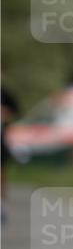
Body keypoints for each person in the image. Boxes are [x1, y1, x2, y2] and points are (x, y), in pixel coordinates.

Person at [1, 85, 20, 224]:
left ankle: (2, 206)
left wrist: (4, 113)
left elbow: (15, 111)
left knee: (2, 174)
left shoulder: (4, 93)